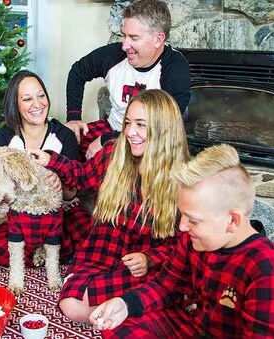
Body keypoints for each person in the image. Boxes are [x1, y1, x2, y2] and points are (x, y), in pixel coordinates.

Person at [30, 89, 190, 323]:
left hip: (142, 262)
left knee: (159, 290)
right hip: (104, 249)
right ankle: (129, 314)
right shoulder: (114, 154)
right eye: (127, 123)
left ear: (164, 130)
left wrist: (150, 258)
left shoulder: (182, 180)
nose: (130, 132)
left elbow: (183, 243)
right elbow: (81, 177)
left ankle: (136, 311)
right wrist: (50, 159)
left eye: (141, 125)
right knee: (70, 304)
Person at [90, 144, 274, 337]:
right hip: (194, 327)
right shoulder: (193, 240)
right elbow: (167, 285)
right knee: (116, 325)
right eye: (182, 215)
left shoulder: (268, 270)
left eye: (193, 220)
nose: (182, 226)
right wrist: (125, 305)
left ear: (232, 220)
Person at [0, 70, 93, 267]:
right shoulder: (4, 139)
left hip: (61, 214)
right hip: (20, 216)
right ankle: (48, 253)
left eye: (41, 95)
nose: (37, 104)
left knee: (92, 237)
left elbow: (71, 192)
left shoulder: (64, 136)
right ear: (15, 105)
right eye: (27, 99)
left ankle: (46, 252)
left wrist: (60, 184)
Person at [65, 0, 190, 160]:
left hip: (151, 141)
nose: (125, 45)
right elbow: (77, 72)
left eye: (134, 38)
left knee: (105, 165)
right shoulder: (114, 55)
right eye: (124, 36)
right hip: (112, 127)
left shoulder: (175, 68)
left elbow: (165, 126)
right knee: (64, 140)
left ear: (158, 40)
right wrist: (74, 117)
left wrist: (107, 140)